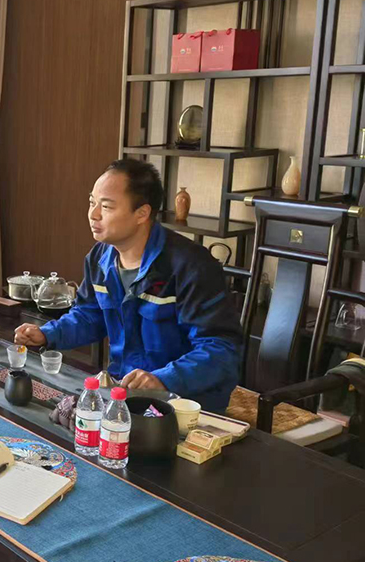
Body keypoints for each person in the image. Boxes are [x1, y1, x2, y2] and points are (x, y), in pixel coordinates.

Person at [14, 159, 242, 412]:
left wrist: (164, 379)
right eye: (92, 202)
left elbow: (221, 349)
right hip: (125, 394)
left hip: (185, 403)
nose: (93, 214)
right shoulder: (99, 258)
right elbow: (89, 316)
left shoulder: (190, 266)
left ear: (142, 213)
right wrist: (48, 334)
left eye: (106, 206)